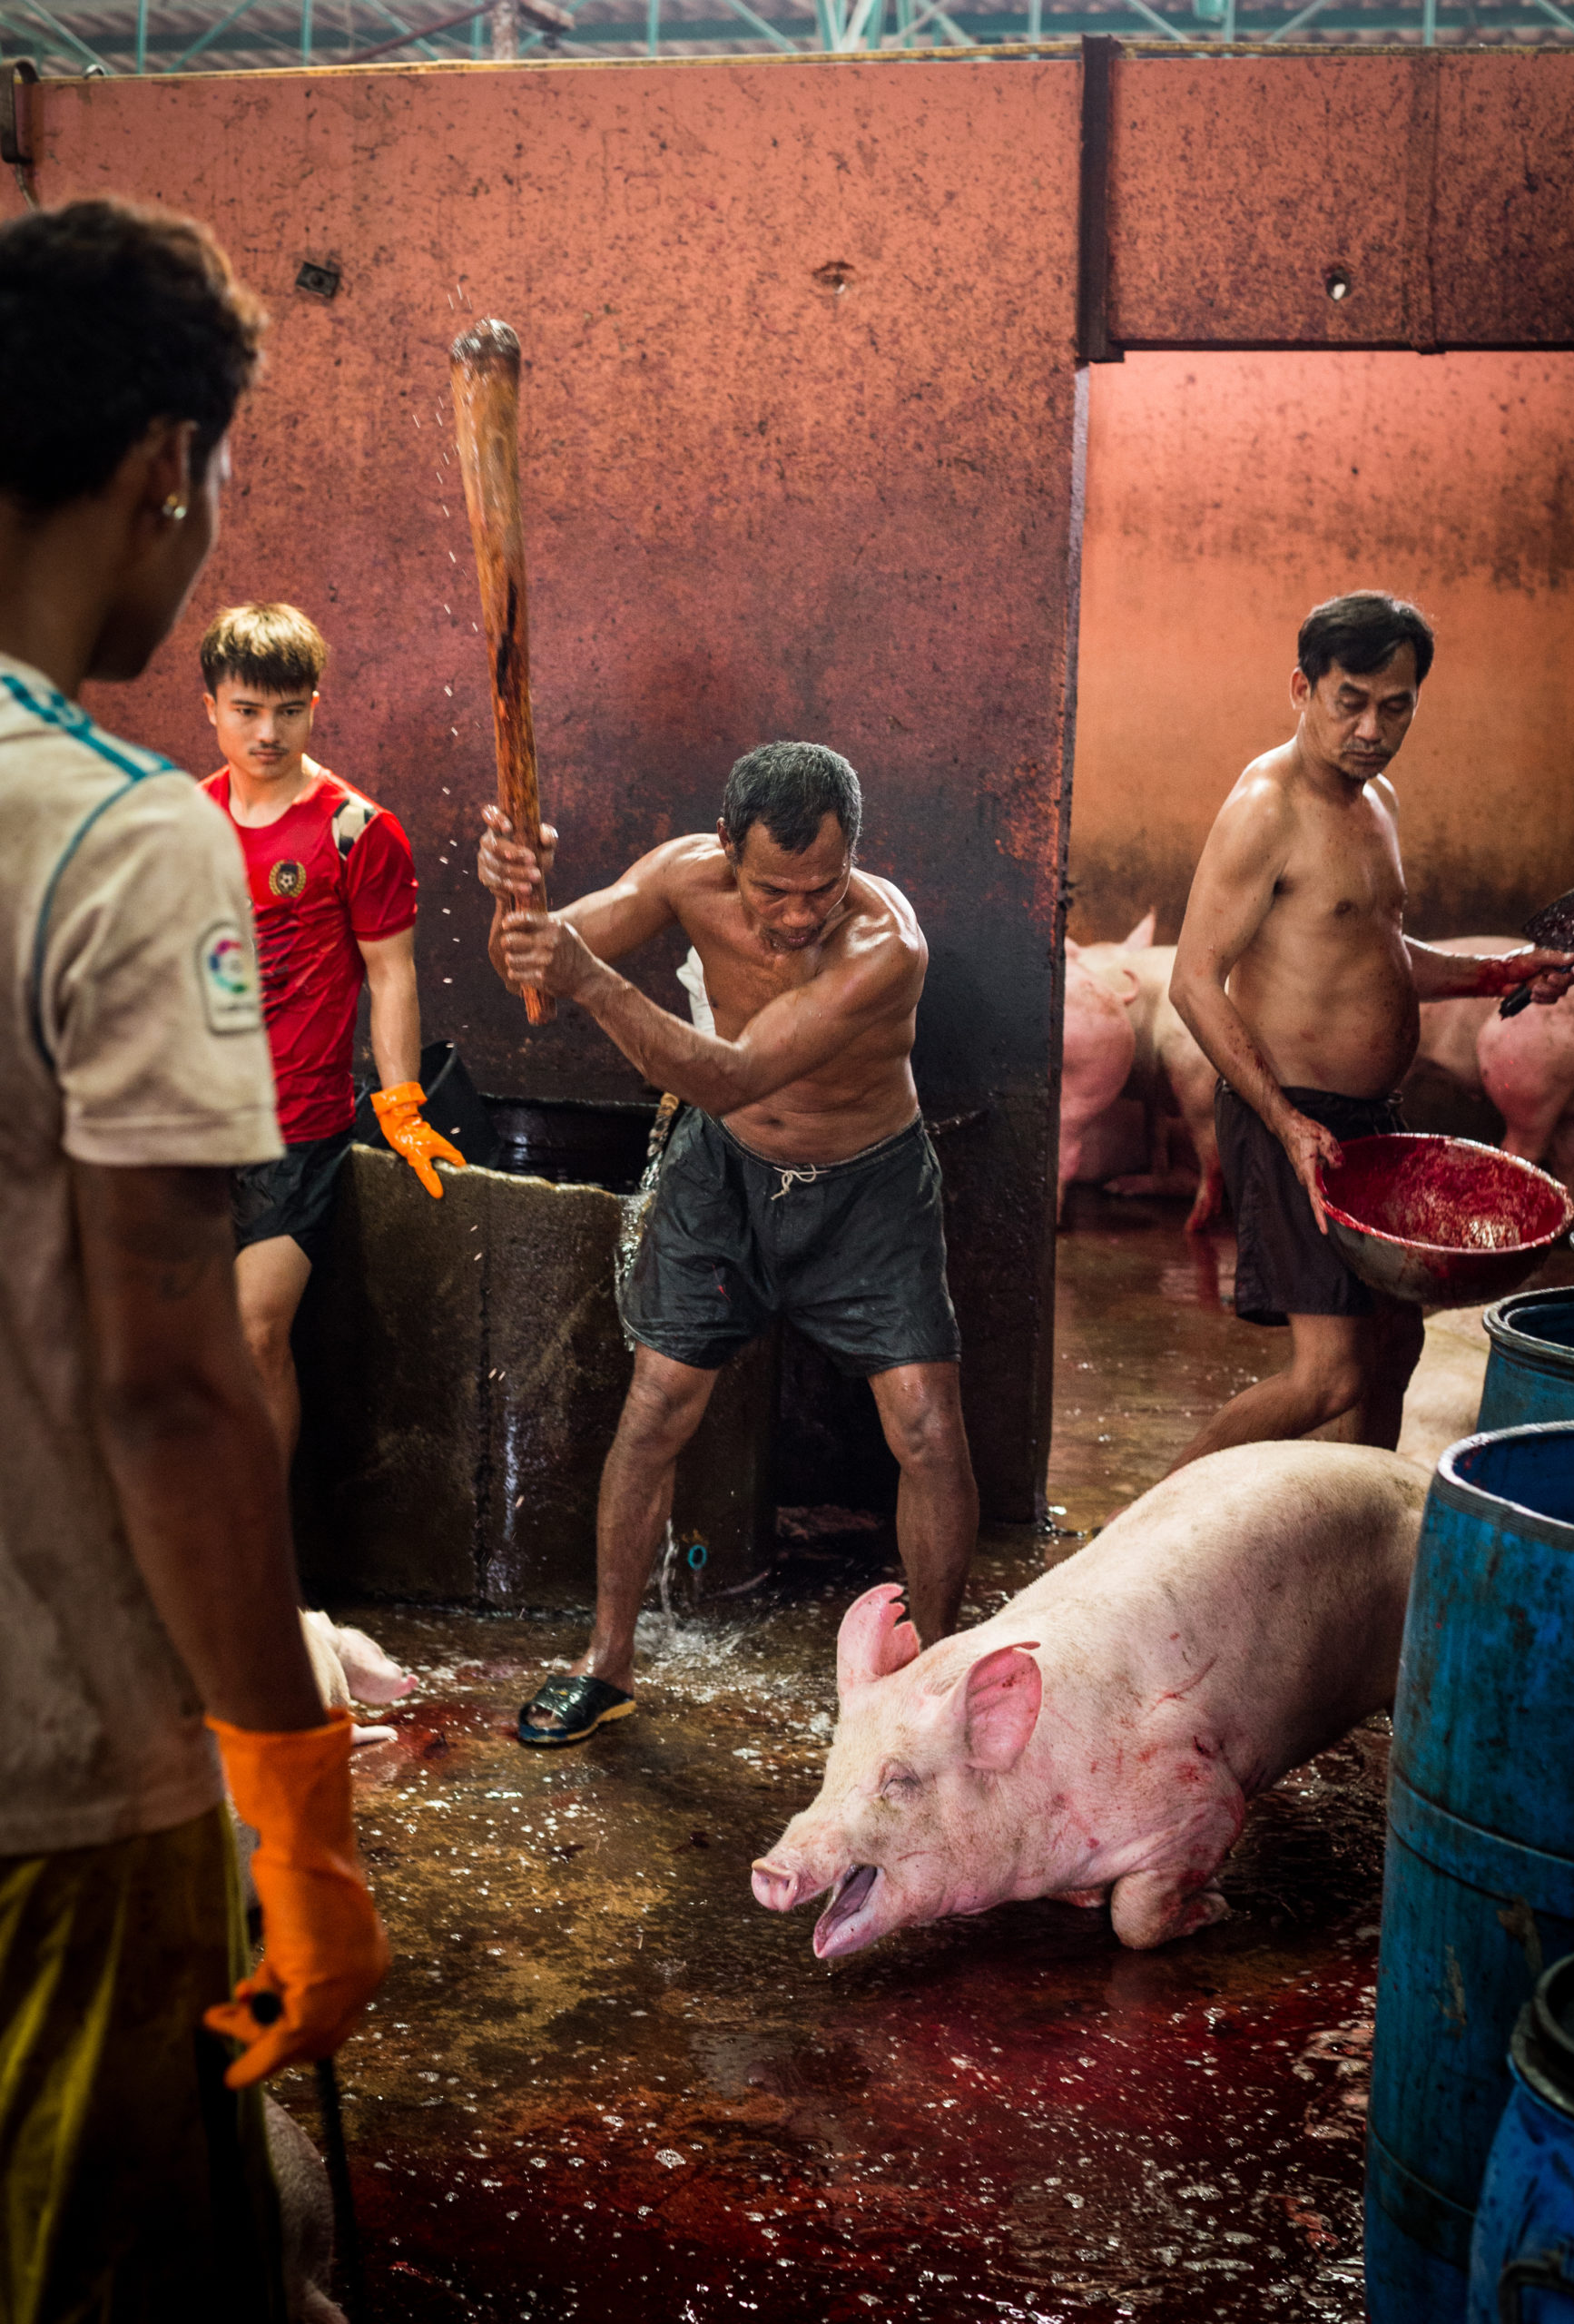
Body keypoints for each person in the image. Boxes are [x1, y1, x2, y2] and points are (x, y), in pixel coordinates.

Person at [0, 199, 388, 2314]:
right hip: (53, 1775)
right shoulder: (110, 827)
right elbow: (168, 1383)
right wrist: (295, 1808)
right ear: (166, 459)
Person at [477, 742, 979, 1746]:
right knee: (657, 1403)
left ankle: (930, 1678)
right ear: (723, 852)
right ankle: (606, 1664)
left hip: (866, 1187)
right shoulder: (680, 875)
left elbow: (732, 1074)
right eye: (771, 892)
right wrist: (518, 910)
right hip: (725, 1176)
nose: (797, 916)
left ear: (854, 862)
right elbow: (534, 966)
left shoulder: (887, 946)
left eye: (821, 888)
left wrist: (588, 981)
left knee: (925, 1425)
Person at [1167, 590, 1574, 1467]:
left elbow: (1378, 948)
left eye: (1394, 707)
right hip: (1292, 1116)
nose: (1370, 728)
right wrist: (1283, 1122)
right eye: (1349, 700)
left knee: (1395, 1353)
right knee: (1330, 1376)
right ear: (1301, 688)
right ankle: (1148, 1533)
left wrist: (1496, 972)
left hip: (1368, 1122)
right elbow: (1192, 982)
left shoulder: (1376, 800)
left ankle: (1358, 1536)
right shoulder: (1264, 808)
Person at [199, 600, 463, 1463]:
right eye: (246, 709)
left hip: (296, 1127)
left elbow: (391, 973)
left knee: (253, 1334)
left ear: (314, 704)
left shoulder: (357, 830)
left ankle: (264, 1575)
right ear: (212, 707)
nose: (267, 730)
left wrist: (400, 1104)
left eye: (288, 708)